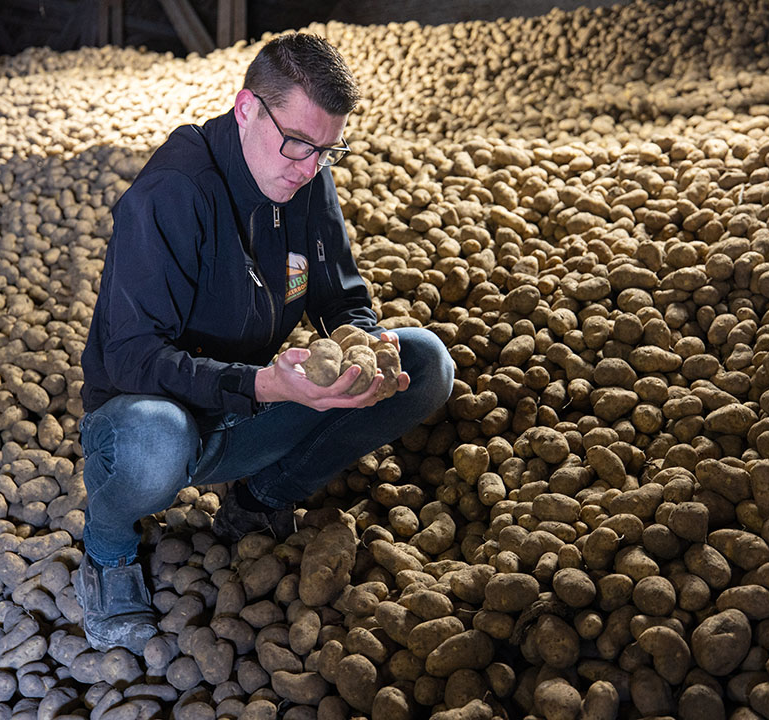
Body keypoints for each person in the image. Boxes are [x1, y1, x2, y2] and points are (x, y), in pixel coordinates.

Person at [74, 32, 454, 654]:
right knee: (155, 439)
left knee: (426, 364)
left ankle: (257, 497)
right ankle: (108, 547)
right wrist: (263, 385)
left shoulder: (305, 177)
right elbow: (131, 358)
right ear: (246, 107)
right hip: (147, 410)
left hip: (248, 404)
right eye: (299, 143)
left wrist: (365, 345)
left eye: (327, 151)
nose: (309, 167)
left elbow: (341, 296)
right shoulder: (174, 192)